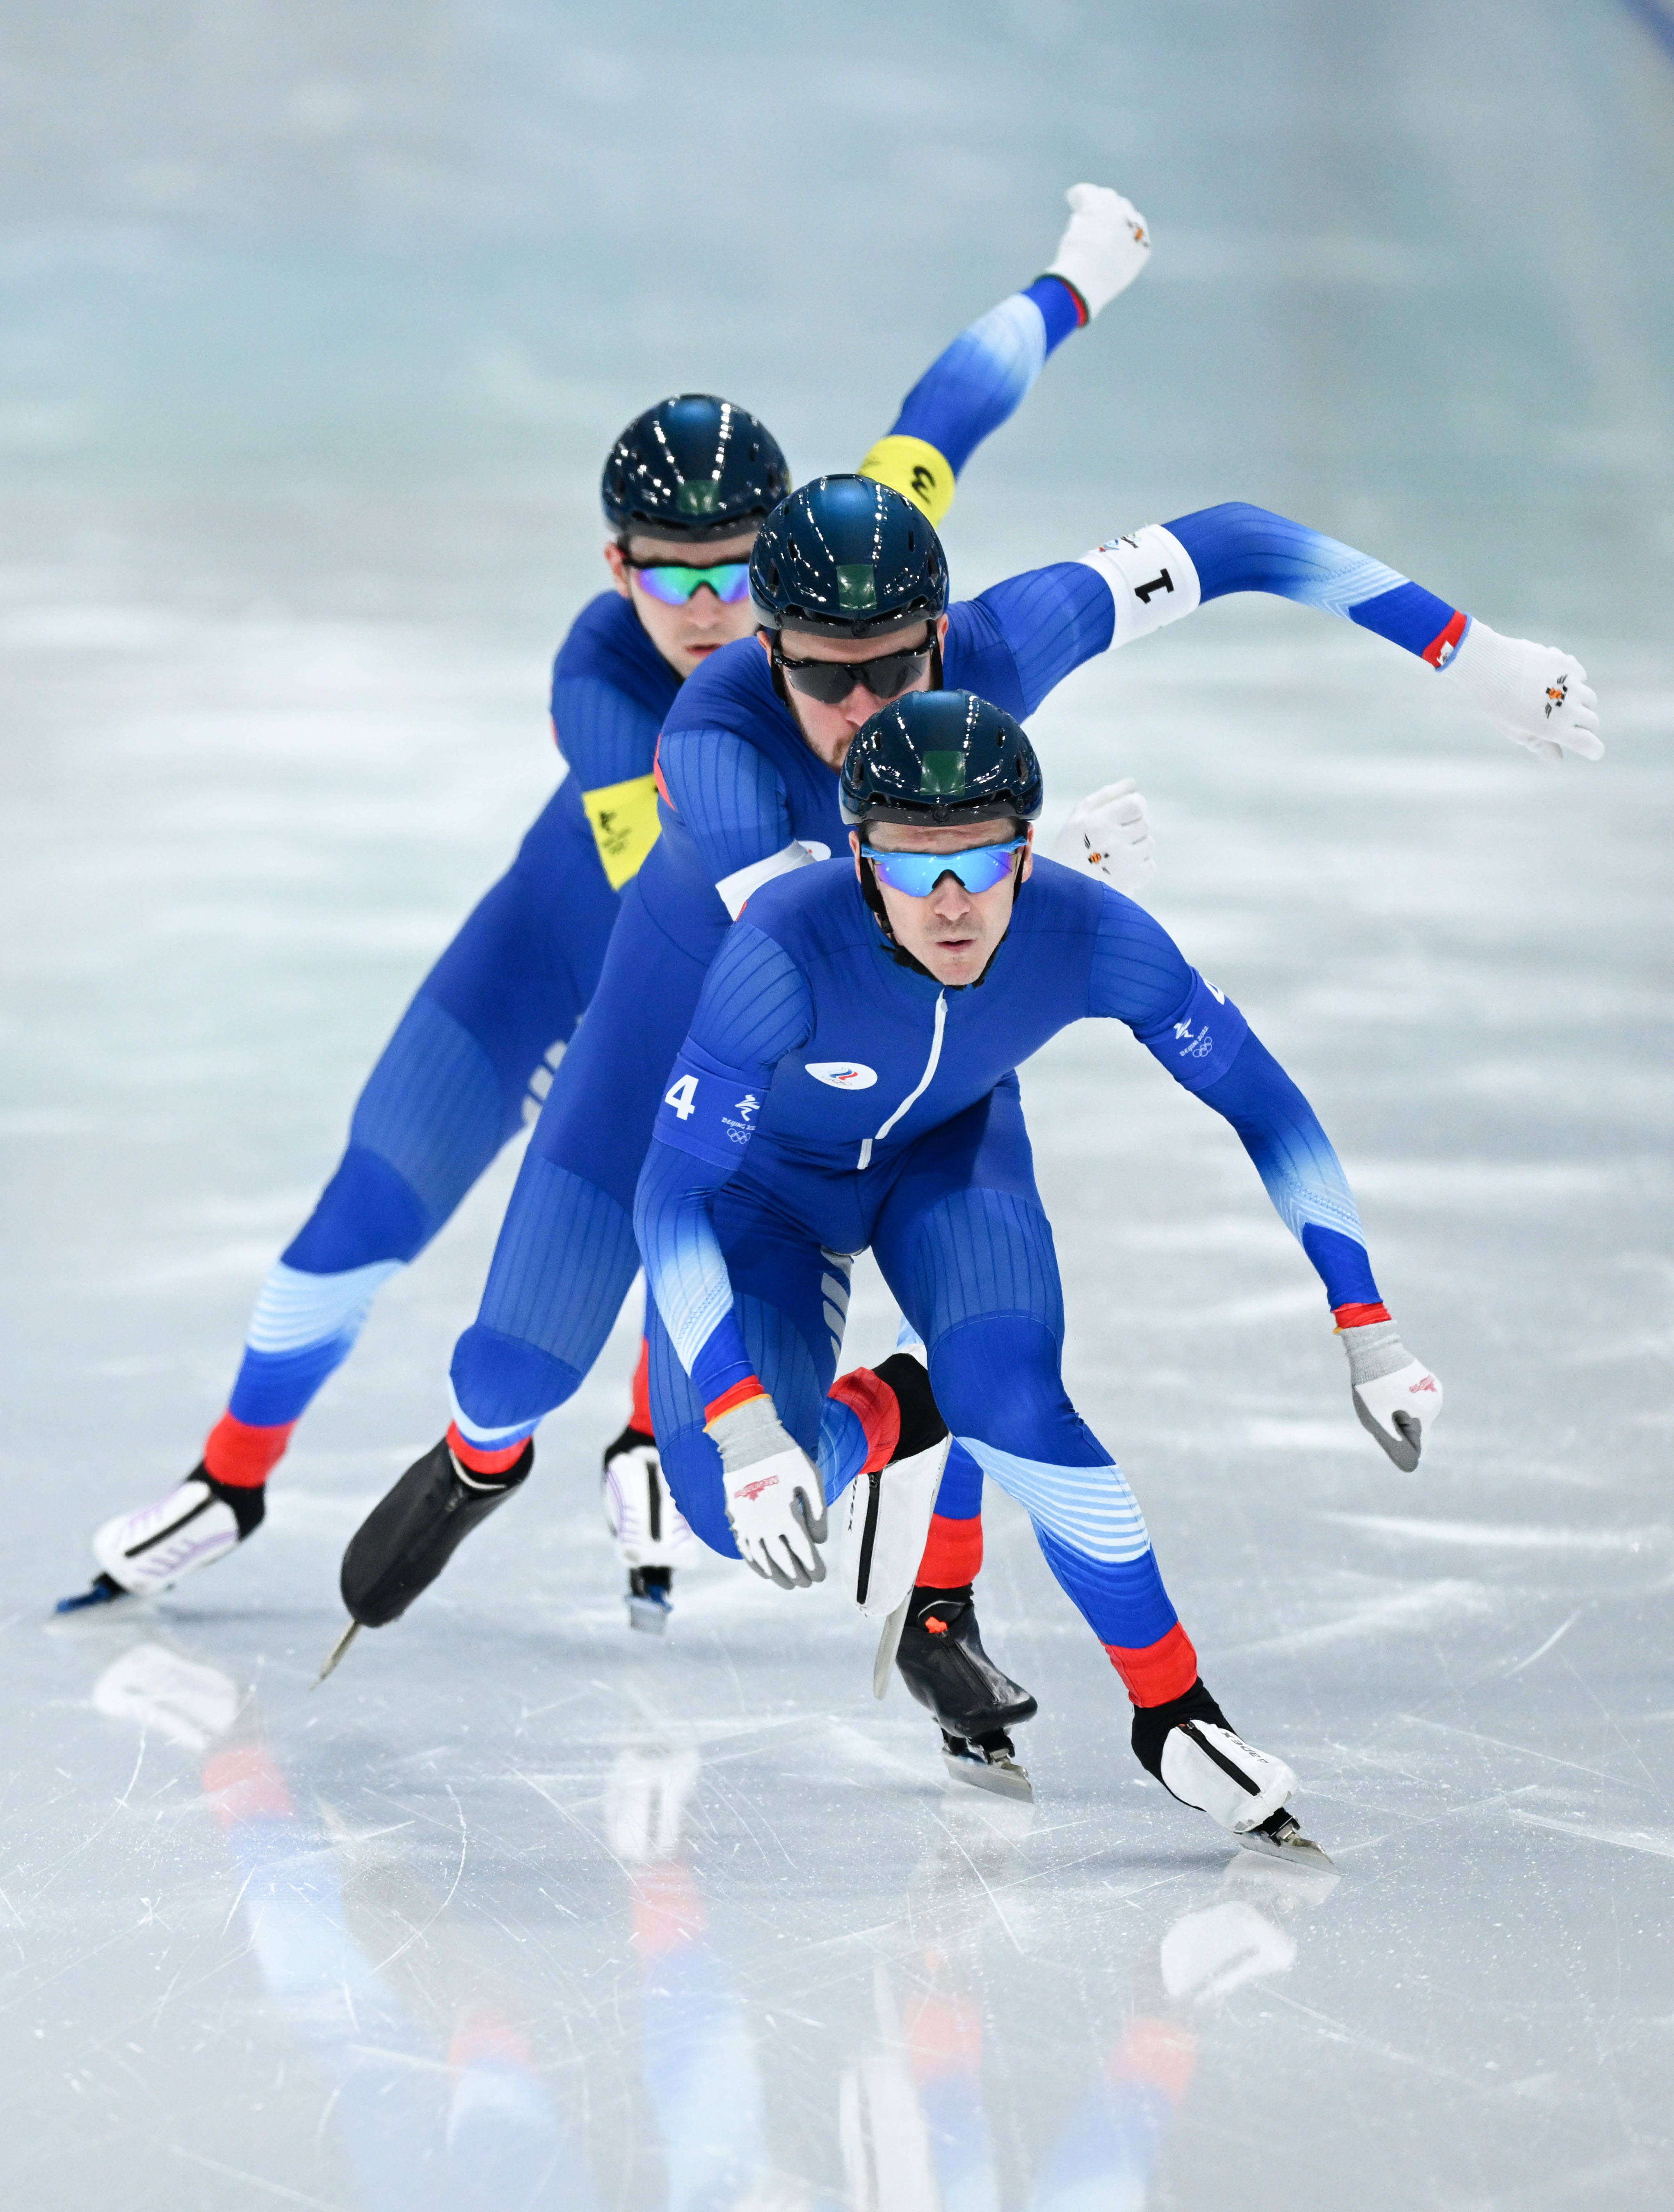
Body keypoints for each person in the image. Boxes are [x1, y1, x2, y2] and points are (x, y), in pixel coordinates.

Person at [326, 457, 1595, 1728]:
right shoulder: (714, 739)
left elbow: (1234, 539)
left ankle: (940, 1575)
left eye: (892, 668)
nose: (861, 703)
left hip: (911, 1038)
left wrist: (1466, 650)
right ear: (769, 654)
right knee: (511, 1369)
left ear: (943, 634)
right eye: (822, 675)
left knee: (990, 1331)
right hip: (673, 1049)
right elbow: (814, 929)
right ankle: (479, 1459)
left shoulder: (1000, 641)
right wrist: (1056, 868)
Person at [66, 183, 1159, 1627]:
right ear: (615, 569)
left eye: (735, 567)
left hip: (705, 1005)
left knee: (710, 1179)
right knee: (378, 1198)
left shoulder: (834, 589)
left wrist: (1077, 277)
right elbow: (739, 905)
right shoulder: (606, 687)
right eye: (669, 573)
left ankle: (648, 1425)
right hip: (563, 950)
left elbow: (943, 416)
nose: (707, 605)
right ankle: (236, 1470)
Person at [631, 689, 1442, 1851]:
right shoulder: (778, 953)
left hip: (945, 1164)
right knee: (733, 1507)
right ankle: (905, 1402)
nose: (952, 903)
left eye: (982, 859)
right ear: (860, 859)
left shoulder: (1092, 932)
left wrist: (1365, 1321)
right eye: (916, 866)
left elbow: (1265, 1107)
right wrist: (740, 1417)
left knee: (1012, 1393)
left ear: (1027, 850)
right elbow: (669, 1195)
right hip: (767, 1193)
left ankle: (1171, 1708)